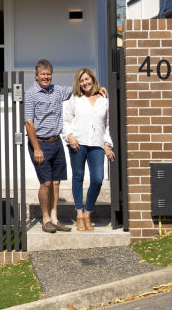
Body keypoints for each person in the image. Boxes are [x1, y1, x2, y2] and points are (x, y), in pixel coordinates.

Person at [62, 68, 114, 232]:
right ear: (78, 83)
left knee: (98, 179)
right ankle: (79, 215)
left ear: (93, 79)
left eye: (87, 79)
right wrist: (69, 136)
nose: (85, 82)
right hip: (78, 142)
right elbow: (66, 120)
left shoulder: (104, 98)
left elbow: (107, 125)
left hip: (96, 144)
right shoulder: (75, 98)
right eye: (81, 80)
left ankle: (87, 213)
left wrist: (107, 144)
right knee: (78, 177)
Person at [23, 59, 71, 233]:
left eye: (48, 74)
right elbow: (28, 123)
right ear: (36, 76)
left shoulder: (57, 90)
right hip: (40, 144)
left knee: (56, 183)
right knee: (46, 183)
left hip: (56, 142)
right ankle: (45, 220)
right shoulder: (30, 94)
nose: (46, 77)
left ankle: (55, 218)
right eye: (42, 74)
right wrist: (36, 148)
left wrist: (98, 89)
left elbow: (78, 90)